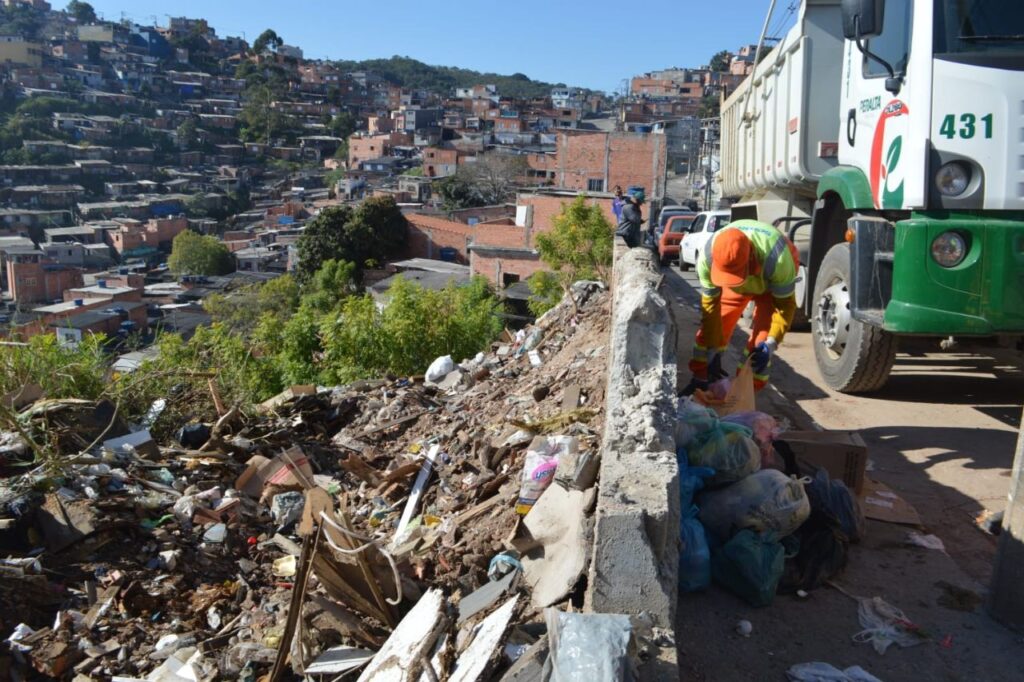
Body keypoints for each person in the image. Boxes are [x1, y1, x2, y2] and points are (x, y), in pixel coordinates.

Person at [684, 219, 799, 393]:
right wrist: (713, 348)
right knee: (714, 328)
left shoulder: (778, 259)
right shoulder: (707, 257)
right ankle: (700, 380)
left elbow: (785, 306)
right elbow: (710, 308)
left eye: (734, 274)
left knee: (761, 342)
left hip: (769, 285)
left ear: (751, 258)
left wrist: (772, 343)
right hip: (740, 283)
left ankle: (745, 393)